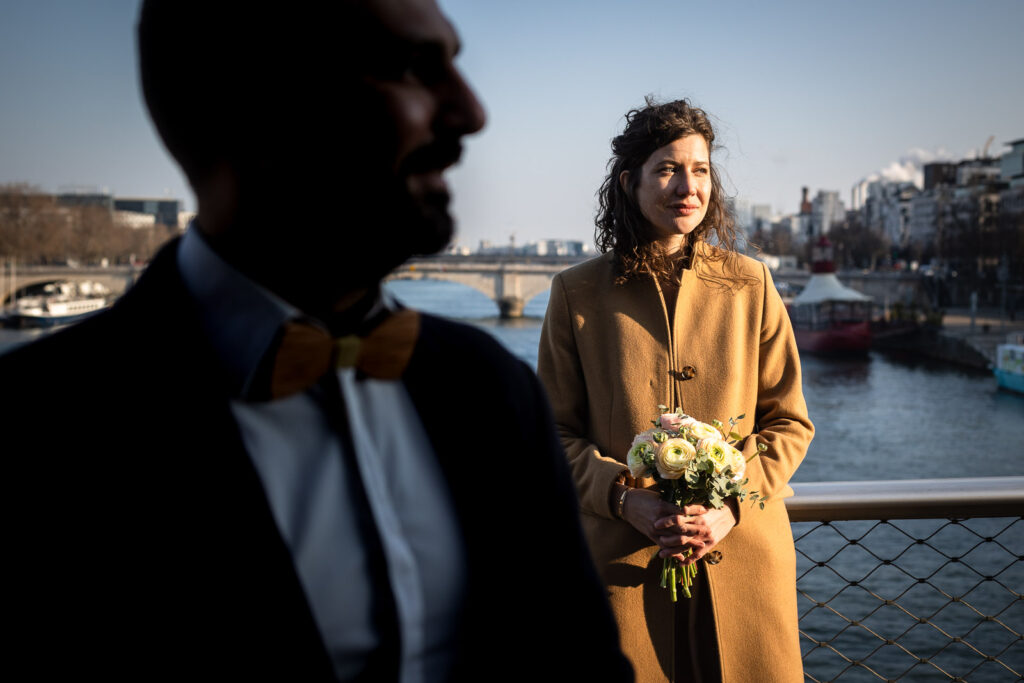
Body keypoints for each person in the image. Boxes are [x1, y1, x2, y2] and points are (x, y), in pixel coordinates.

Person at [1, 1, 633, 681]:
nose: (470, 111)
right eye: (412, 68)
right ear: (248, 102)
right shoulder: (35, 436)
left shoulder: (493, 390)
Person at [537, 98, 814, 682]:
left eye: (701, 169)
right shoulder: (576, 294)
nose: (688, 186)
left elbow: (789, 423)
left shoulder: (751, 283)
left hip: (743, 562)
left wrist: (730, 506)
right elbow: (549, 435)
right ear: (629, 181)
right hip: (621, 564)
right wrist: (622, 496)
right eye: (667, 169)